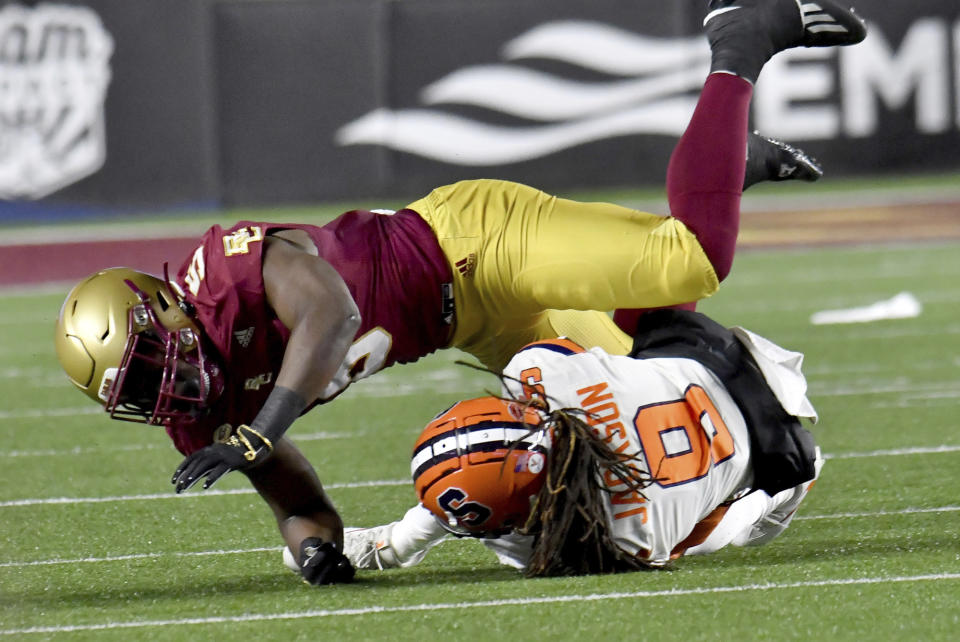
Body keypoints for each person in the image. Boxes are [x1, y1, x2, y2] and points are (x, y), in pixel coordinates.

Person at [53, 0, 865, 586]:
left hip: (472, 243)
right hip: (475, 329)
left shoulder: (225, 273)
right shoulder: (198, 410)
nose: (169, 387)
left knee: (688, 261)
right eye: (142, 389)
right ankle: (730, 160)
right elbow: (295, 497)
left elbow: (331, 316)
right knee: (639, 365)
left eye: (155, 360)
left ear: (162, 304)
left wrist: (264, 425)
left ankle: (739, 40)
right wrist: (316, 551)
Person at [331, 309, 823, 575]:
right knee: (576, 326)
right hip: (717, 351)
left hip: (779, 452)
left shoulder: (624, 535)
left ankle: (785, 490)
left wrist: (396, 545)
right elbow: (570, 356)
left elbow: (693, 531)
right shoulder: (535, 374)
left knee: (712, 533)